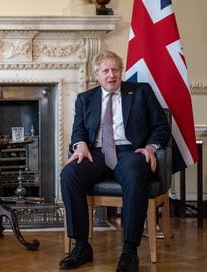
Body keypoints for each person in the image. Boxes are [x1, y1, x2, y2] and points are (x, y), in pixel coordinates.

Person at [59, 50, 170, 272]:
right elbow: (78, 131)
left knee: (134, 174)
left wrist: (150, 147)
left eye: (115, 70)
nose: (111, 75)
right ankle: (81, 245)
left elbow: (161, 126)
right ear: (97, 75)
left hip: (131, 151)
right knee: (69, 174)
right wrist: (79, 144)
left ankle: (129, 250)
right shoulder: (85, 99)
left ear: (121, 72)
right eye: (106, 71)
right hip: (96, 153)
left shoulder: (141, 92)